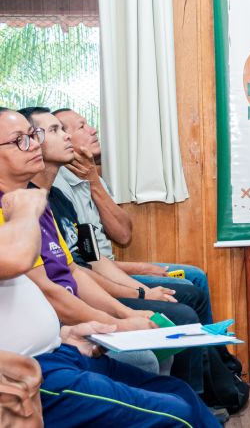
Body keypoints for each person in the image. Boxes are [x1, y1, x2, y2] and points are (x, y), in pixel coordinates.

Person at [21, 107, 207, 393]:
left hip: (89, 290)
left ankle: (201, 393)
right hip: (59, 318)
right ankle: (193, 397)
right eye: (57, 130)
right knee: (176, 320)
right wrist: (125, 314)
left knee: (187, 292)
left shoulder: (50, 199)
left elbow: (93, 256)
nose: (69, 135)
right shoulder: (24, 204)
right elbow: (61, 283)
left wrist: (134, 302)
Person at [0, 187, 219, 427]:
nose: (35, 151)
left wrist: (64, 334)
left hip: (60, 348)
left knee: (178, 390)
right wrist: (24, 211)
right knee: (177, 413)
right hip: (26, 371)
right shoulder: (20, 206)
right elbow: (17, 262)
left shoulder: (52, 200)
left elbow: (78, 267)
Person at [52, 108, 213, 324]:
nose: (93, 130)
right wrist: (143, 273)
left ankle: (213, 344)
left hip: (109, 267)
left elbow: (123, 235)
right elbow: (83, 262)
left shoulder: (92, 176)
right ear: (65, 139)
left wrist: (94, 181)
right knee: (188, 286)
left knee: (195, 277)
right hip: (98, 274)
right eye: (82, 126)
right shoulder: (58, 188)